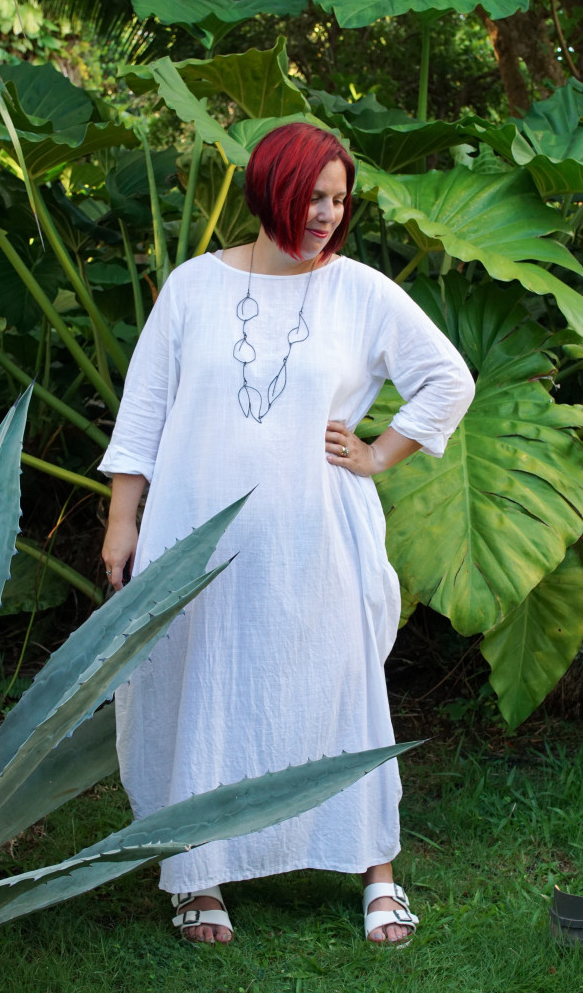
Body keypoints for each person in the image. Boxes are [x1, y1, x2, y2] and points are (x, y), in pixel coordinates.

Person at [99, 123, 475, 946]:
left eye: (338, 201)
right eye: (313, 197)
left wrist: (377, 452)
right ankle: (197, 874)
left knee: (341, 691)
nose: (326, 216)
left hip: (316, 540)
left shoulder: (361, 292)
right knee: (201, 688)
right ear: (271, 188)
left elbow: (447, 377)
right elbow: (145, 412)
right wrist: (123, 520)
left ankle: (376, 869)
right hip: (193, 537)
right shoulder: (192, 287)